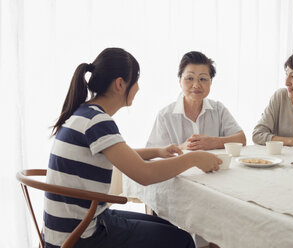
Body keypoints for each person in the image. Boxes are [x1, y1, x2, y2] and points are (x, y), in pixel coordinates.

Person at [44, 48, 222, 248]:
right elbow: (145, 175)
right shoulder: (97, 121)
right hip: (82, 235)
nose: (138, 88)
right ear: (120, 84)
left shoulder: (85, 114)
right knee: (181, 240)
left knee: (168, 227)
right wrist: (194, 158)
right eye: (136, 81)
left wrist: (157, 151)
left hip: (66, 229)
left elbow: (119, 154)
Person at [146, 51, 246, 150]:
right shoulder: (165, 115)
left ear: (211, 82)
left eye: (203, 79)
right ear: (180, 81)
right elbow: (154, 154)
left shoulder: (218, 109)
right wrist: (181, 148)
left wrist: (214, 142)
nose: (196, 85)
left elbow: (241, 139)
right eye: (190, 78)